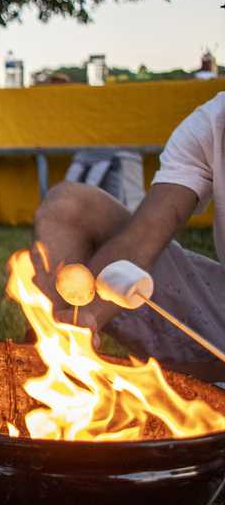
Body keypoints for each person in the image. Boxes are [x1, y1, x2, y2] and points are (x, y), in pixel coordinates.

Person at [34, 92, 225, 382]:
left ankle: (190, 383)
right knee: (68, 206)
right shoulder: (210, 123)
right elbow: (144, 236)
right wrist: (84, 321)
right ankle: (52, 373)